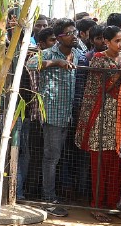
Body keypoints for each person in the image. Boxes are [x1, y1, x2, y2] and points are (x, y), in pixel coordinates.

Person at [26, 20, 83, 214]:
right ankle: (48, 198)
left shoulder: (77, 53)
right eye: (69, 33)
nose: (74, 35)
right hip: (51, 114)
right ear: (59, 37)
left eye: (74, 31)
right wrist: (56, 63)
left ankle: (52, 194)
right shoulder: (49, 53)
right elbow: (31, 64)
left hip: (67, 114)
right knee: (51, 157)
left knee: (58, 157)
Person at [75, 25, 121, 209]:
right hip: (101, 115)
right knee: (100, 162)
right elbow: (101, 87)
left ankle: (112, 204)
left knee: (116, 162)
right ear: (106, 41)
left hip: (120, 115)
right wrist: (119, 75)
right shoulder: (99, 59)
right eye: (117, 41)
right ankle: (97, 205)